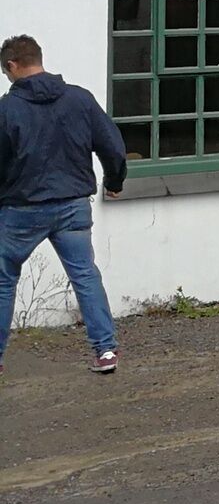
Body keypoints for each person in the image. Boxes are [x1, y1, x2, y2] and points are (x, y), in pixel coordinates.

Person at [0, 35, 127, 377]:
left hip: (21, 210)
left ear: (12, 65)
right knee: (85, 275)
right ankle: (105, 352)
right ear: (39, 59)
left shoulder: (6, 109)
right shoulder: (79, 100)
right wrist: (114, 182)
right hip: (72, 205)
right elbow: (113, 146)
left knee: (3, 280)